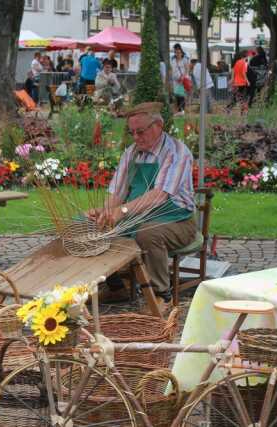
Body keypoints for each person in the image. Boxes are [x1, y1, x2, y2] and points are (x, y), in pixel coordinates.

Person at [88, 102, 196, 314]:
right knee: (89, 226)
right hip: (138, 215)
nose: (136, 138)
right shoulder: (131, 153)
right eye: (132, 132)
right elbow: (117, 193)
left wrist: (122, 212)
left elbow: (158, 196)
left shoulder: (176, 152)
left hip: (176, 220)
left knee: (148, 234)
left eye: (140, 132)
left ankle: (160, 295)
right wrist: (105, 213)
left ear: (158, 126)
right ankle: (117, 286)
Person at [171, 43, 190, 115]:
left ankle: (182, 110)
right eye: (175, 52)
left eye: (178, 52)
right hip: (175, 80)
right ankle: (179, 110)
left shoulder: (184, 59)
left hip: (182, 80)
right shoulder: (173, 59)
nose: (177, 53)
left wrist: (183, 77)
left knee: (181, 94)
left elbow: (187, 69)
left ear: (181, 51)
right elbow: (172, 69)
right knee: (177, 94)